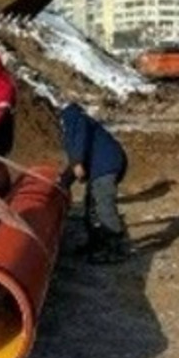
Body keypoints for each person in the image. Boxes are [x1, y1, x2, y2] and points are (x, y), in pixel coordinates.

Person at [58, 99, 130, 264]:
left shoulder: (76, 119)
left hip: (106, 167)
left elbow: (79, 142)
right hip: (103, 166)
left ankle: (116, 250)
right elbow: (76, 158)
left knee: (104, 207)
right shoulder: (76, 121)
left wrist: (77, 162)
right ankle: (96, 244)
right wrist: (64, 181)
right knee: (90, 207)